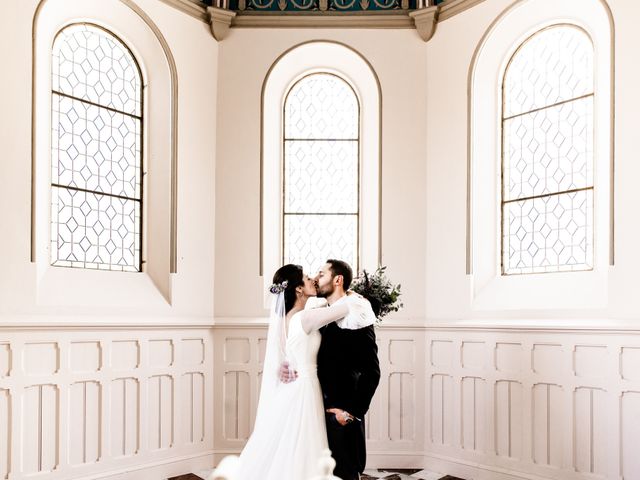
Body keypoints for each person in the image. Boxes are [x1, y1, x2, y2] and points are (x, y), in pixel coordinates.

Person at [233, 264, 370, 480]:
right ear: (298, 289)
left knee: (293, 446)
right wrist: (353, 292)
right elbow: (347, 307)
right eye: (307, 278)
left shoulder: (289, 319)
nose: (313, 280)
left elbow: (288, 356)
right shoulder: (304, 319)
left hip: (297, 386)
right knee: (305, 446)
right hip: (305, 388)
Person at [283, 259, 381, 480]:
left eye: (321, 274)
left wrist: (351, 413)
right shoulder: (320, 314)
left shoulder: (358, 319)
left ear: (338, 280)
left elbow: (372, 372)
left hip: (340, 414)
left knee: (345, 473)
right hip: (313, 408)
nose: (316, 279)